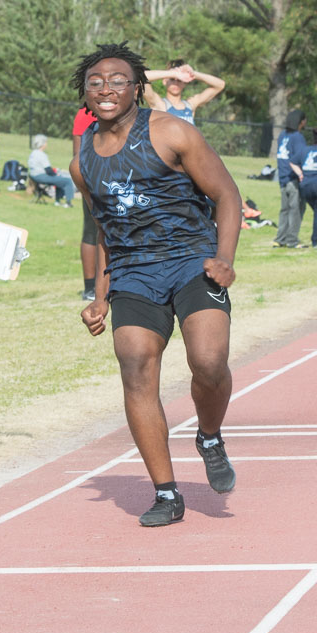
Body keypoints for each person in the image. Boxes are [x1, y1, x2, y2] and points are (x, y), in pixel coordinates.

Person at [69, 41, 241, 528]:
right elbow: (103, 229)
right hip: (133, 271)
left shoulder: (171, 132)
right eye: (96, 82)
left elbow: (227, 194)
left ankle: (209, 435)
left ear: (138, 88)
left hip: (192, 260)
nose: (106, 89)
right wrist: (98, 297)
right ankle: (166, 493)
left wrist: (224, 258)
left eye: (118, 80)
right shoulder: (82, 161)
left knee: (208, 362)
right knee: (135, 365)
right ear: (85, 94)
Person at [142, 59, 226, 124]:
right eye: (172, 79)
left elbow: (220, 85)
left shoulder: (190, 105)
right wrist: (173, 73)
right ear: (164, 81)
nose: (176, 83)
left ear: (185, 82)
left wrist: (193, 74)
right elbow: (140, 77)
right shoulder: (159, 104)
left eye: (179, 80)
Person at [73, 106, 99, 300]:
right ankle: (90, 287)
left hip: (123, 178)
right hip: (94, 180)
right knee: (92, 230)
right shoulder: (85, 113)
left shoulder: (127, 110)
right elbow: (77, 154)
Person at [272, 108, 307, 249]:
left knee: (284, 209)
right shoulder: (298, 137)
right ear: (301, 121)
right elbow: (300, 157)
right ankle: (292, 240)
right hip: (293, 177)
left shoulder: (282, 135)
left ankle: (280, 238)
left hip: (282, 176)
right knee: (296, 208)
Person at [27, 133, 74, 207]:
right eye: (45, 142)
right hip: (41, 176)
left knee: (59, 180)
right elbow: (48, 170)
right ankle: (68, 202)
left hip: (33, 175)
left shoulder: (33, 153)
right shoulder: (41, 154)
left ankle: (58, 201)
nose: (46, 144)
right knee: (67, 181)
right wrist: (56, 175)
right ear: (42, 144)